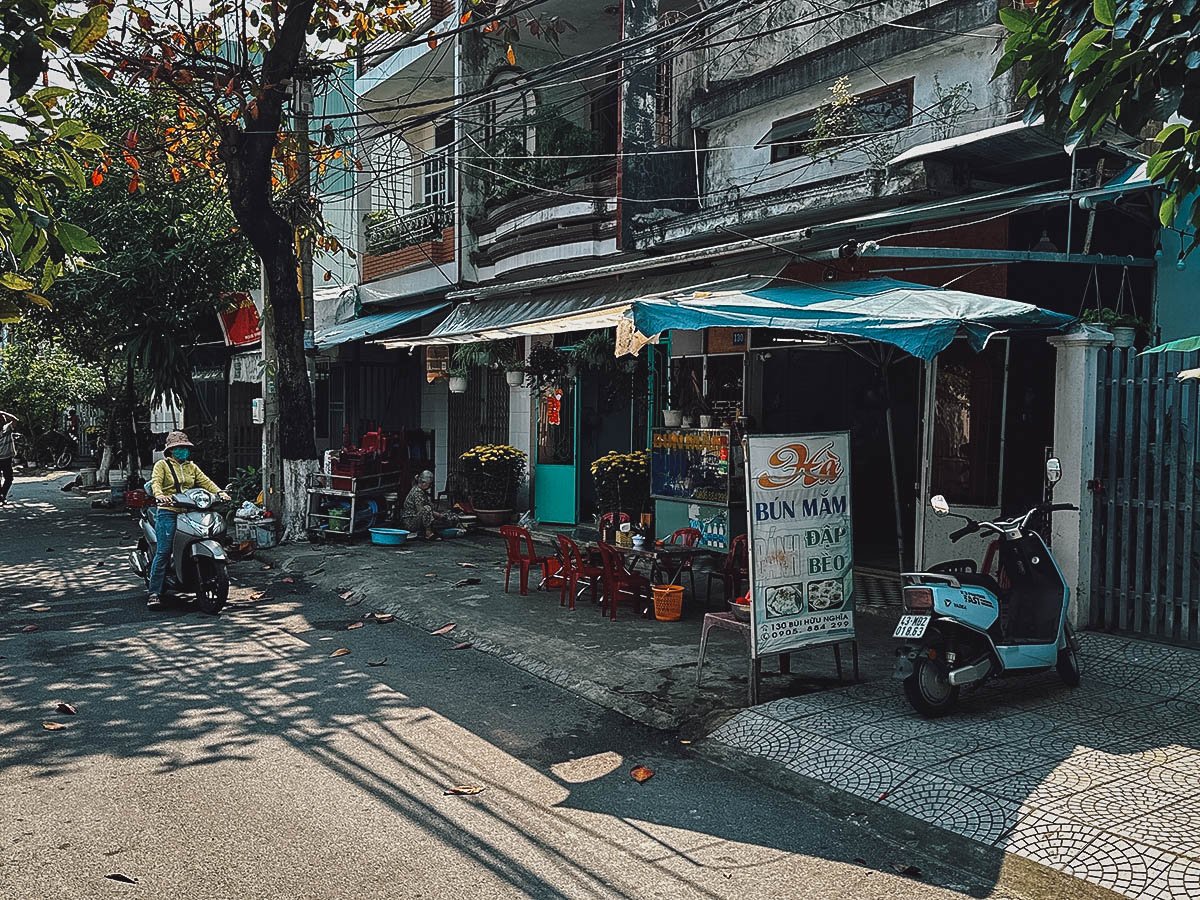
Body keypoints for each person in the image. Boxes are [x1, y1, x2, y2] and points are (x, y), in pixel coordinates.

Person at [147, 430, 229, 609]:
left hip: (190, 511)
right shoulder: (162, 465)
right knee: (163, 551)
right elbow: (156, 482)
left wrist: (220, 492)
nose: (183, 450)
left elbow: (206, 482)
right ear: (170, 450)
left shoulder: (192, 467)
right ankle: (154, 592)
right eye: (179, 448)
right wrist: (160, 495)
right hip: (168, 511)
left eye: (185, 447)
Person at [401, 470, 457, 539]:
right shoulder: (417, 492)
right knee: (427, 509)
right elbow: (422, 510)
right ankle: (428, 533)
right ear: (423, 483)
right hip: (410, 522)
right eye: (429, 484)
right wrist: (439, 516)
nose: (430, 486)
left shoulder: (421, 490)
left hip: (415, 519)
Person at [0, 411, 18, 505]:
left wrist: (3, 412)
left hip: (6, 458)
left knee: (9, 478)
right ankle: (2, 496)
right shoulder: (7, 428)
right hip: (5, 458)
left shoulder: (7, 428)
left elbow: (15, 420)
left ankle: (2, 495)